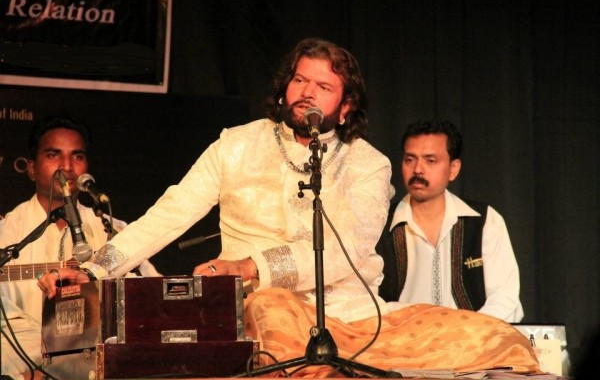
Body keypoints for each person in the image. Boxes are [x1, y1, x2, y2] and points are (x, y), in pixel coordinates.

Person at [38, 39, 539, 376]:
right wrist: (92, 267)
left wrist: (250, 264)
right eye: (301, 81)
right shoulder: (235, 146)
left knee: (498, 341)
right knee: (275, 317)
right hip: (258, 311)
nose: (307, 93)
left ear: (345, 106)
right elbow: (169, 214)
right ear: (284, 87)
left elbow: (349, 249)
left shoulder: (369, 165)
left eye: (324, 87)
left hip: (355, 318)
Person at [0, 115, 159, 380]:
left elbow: (151, 291)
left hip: (100, 362)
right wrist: (48, 356)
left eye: (77, 156)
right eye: (53, 155)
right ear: (31, 168)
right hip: (26, 362)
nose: (66, 166)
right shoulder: (7, 233)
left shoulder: (113, 230)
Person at [377, 119, 523, 323]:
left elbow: (505, 297)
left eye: (430, 160)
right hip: (400, 345)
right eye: (410, 159)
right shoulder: (379, 224)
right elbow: (366, 299)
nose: (418, 169)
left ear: (453, 169)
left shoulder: (483, 221)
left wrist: (464, 334)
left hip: (472, 344)